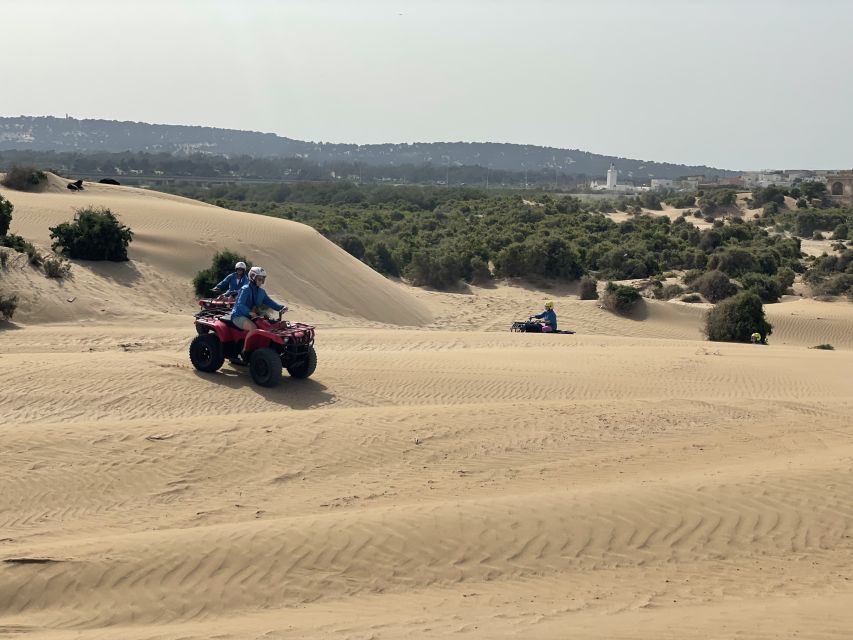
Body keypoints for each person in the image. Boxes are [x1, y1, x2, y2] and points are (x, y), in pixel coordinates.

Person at [231, 266, 287, 346]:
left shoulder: (261, 292)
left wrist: (281, 307)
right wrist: (249, 312)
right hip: (238, 316)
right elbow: (240, 304)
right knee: (253, 328)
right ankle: (245, 349)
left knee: (268, 324)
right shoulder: (245, 289)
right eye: (259, 279)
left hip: (253, 316)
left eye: (263, 279)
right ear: (252, 277)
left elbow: (269, 302)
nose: (261, 282)